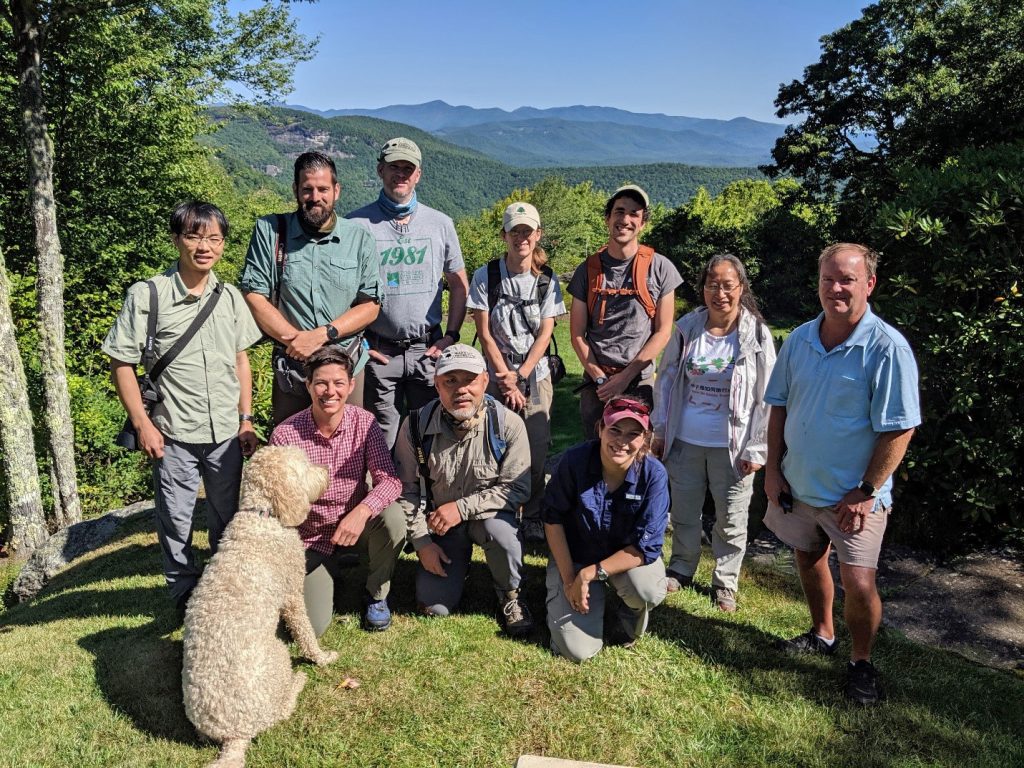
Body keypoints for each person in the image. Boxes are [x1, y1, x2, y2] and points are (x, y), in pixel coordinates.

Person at [763, 243, 920, 706]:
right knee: (808, 558)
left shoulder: (886, 348)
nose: (835, 288)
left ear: (869, 284)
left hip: (856, 497)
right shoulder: (799, 339)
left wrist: (867, 490)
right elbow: (779, 408)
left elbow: (900, 428)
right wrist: (773, 470)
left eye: (847, 280)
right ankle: (822, 633)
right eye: (828, 279)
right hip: (799, 483)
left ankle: (862, 663)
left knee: (860, 582)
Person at [102, 201, 262, 611]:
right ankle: (184, 593)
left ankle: (227, 586)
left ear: (223, 244)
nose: (204, 246)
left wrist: (246, 419)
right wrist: (142, 424)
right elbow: (121, 361)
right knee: (175, 520)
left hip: (226, 432)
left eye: (213, 238)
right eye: (194, 236)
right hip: (172, 432)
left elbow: (240, 360)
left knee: (228, 518)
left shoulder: (229, 298)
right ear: (177, 240)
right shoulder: (148, 295)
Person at [652, 254, 776, 612]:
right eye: (712, 284)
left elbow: (768, 395)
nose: (719, 292)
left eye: (727, 285)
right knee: (685, 512)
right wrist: (660, 429)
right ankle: (682, 567)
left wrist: (757, 445)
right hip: (685, 440)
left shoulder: (755, 334)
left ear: (741, 288)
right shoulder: (687, 328)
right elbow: (667, 381)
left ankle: (725, 582)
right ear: (703, 288)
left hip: (733, 446)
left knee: (732, 518)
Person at [392, 343, 534, 635]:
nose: (461, 390)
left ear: (484, 380)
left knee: (502, 534)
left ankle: (510, 593)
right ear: (436, 384)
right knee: (435, 607)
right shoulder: (415, 425)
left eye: (469, 380)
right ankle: (457, 565)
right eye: (450, 381)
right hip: (440, 527)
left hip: (488, 520)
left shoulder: (508, 425)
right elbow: (406, 490)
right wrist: (421, 543)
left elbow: (517, 489)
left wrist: (461, 508)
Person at [270, 345, 404, 635]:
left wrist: (363, 511)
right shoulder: (285, 435)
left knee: (394, 518)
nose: (330, 391)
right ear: (308, 386)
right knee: (308, 628)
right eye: (321, 383)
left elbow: (390, 481)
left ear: (351, 385)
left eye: (338, 383)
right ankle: (326, 569)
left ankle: (376, 594)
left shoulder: (364, 423)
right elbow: (275, 505)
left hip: (355, 527)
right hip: (309, 537)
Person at [240, 150, 380, 425]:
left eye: (323, 189)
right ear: (295, 190)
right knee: (290, 455)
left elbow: (371, 303)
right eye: (307, 189)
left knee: (347, 453)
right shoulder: (270, 231)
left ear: (336, 190)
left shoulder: (359, 238)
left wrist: (321, 335)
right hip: (293, 370)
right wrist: (296, 340)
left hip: (345, 367)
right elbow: (254, 294)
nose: (315, 197)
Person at [346, 137, 469, 449]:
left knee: (429, 430)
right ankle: (385, 495)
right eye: (393, 167)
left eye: (407, 168)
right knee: (379, 436)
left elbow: (458, 284)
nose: (400, 174)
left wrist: (450, 336)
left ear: (418, 174)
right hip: (378, 349)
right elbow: (342, 290)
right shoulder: (355, 224)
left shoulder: (440, 223)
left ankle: (423, 493)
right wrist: (358, 341)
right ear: (380, 170)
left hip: (427, 348)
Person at [543, 396, 669, 662]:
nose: (622, 441)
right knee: (577, 651)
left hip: (624, 560)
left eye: (633, 434)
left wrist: (591, 574)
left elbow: (647, 546)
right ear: (600, 428)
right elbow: (552, 518)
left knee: (646, 590)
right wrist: (570, 580)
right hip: (576, 557)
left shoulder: (654, 475)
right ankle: (575, 595)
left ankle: (629, 613)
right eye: (614, 430)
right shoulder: (574, 461)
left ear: (645, 439)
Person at [468, 202, 566, 542]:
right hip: (493, 378)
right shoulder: (486, 276)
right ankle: (496, 510)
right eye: (515, 231)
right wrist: (504, 377)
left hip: (535, 377)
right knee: (491, 445)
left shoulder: (547, 281)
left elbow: (546, 334)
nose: (521, 238)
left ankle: (534, 512)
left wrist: (520, 375)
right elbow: (484, 332)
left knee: (536, 449)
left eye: (528, 231)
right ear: (504, 235)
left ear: (538, 235)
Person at [567, 184, 683, 439]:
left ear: (643, 224)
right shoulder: (587, 270)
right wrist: (600, 379)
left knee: (637, 455)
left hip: (640, 383)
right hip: (596, 386)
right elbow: (577, 334)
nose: (625, 220)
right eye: (619, 211)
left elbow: (663, 332)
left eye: (634, 214)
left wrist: (625, 377)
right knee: (595, 458)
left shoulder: (660, 268)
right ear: (607, 218)